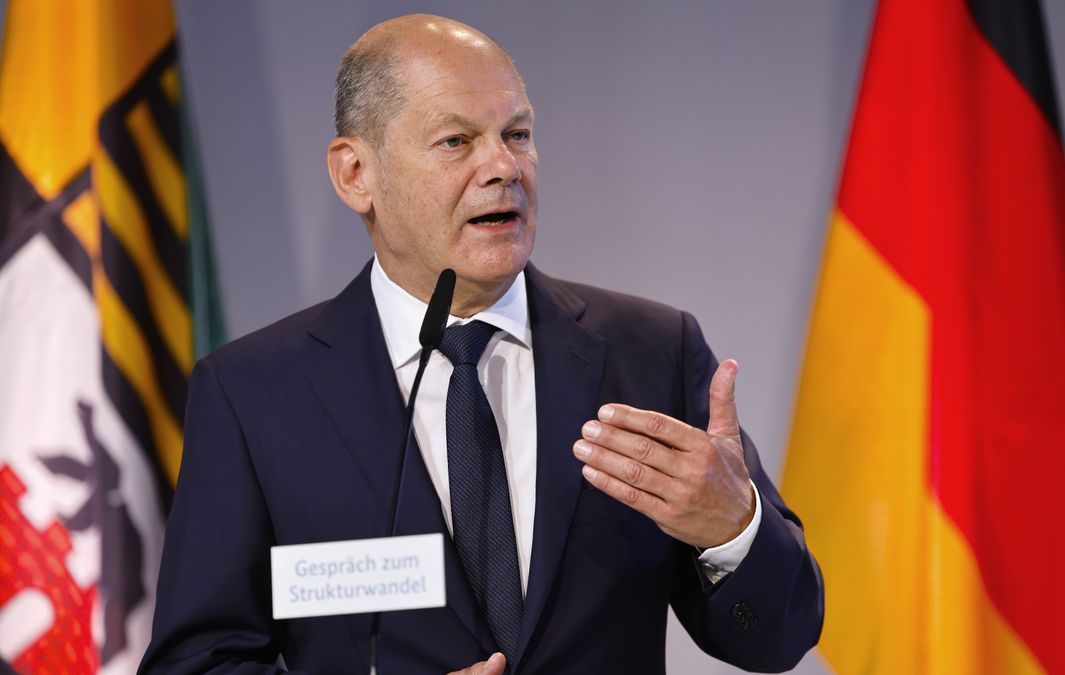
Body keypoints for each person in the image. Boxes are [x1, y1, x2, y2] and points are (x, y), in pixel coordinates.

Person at [140, 14, 823, 675]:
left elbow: (777, 637)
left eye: (518, 134)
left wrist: (733, 527)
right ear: (356, 175)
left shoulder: (650, 353)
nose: (504, 166)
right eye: (456, 141)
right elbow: (196, 661)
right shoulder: (254, 394)